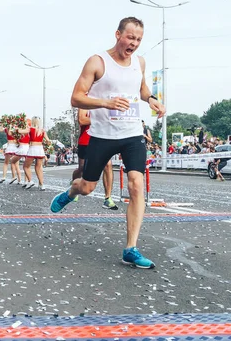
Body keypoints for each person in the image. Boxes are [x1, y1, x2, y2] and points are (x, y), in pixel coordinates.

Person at [50, 17, 166, 269]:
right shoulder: (98, 62)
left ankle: (131, 248)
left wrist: (152, 99)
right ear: (118, 34)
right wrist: (106, 103)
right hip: (102, 136)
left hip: (132, 134)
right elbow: (76, 98)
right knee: (87, 188)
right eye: (130, 37)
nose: (134, 43)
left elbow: (142, 88)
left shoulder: (140, 62)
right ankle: (71, 192)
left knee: (136, 185)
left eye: (138, 39)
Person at [73, 108, 117, 210]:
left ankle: (108, 198)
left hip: (103, 139)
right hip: (86, 140)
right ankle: (74, 187)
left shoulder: (106, 101)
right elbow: (82, 120)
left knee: (108, 165)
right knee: (82, 168)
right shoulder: (85, 102)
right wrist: (102, 119)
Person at [24, 117, 49, 191]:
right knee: (38, 168)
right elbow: (48, 140)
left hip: (32, 149)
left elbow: (20, 132)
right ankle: (41, 184)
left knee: (26, 166)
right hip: (40, 149)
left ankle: (30, 181)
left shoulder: (30, 129)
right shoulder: (43, 131)